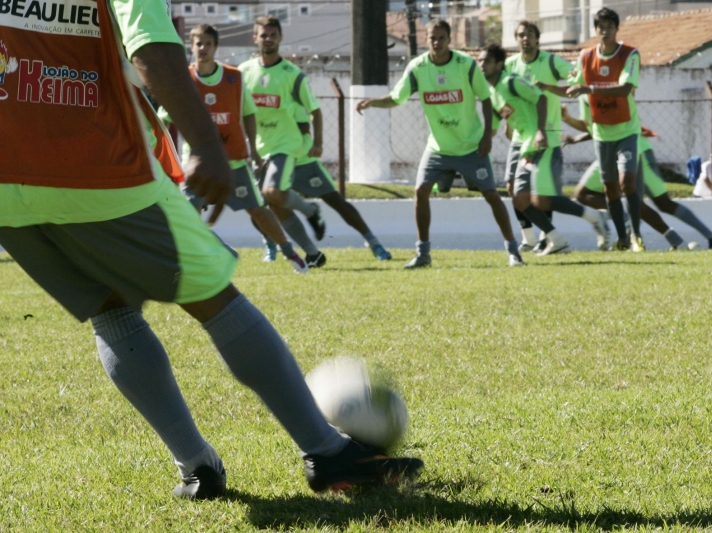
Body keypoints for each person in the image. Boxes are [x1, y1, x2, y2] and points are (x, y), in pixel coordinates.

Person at [0, 0, 422, 500]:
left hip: (8, 178)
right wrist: (205, 144)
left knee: (108, 308)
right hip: (100, 162)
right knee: (215, 299)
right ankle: (326, 451)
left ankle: (196, 468)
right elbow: (152, 49)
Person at [356, 19, 523, 268]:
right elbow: (396, 98)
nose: (437, 42)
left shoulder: (465, 65)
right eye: (432, 38)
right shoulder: (418, 67)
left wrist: (487, 136)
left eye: (441, 38)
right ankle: (423, 254)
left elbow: (486, 100)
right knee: (420, 191)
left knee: (491, 195)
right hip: (438, 148)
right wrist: (373, 102)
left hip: (470, 146)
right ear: (426, 39)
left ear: (449, 39)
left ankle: (513, 251)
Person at [159, 24, 308, 273]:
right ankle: (189, 262)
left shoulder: (233, 77)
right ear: (191, 47)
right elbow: (165, 118)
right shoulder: (183, 80)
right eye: (198, 43)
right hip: (198, 162)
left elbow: (248, 113)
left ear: (216, 47)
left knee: (257, 210)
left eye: (208, 43)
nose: (203, 48)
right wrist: (161, 152)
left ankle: (289, 252)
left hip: (234, 160)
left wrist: (253, 148)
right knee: (188, 212)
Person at [479, 44, 609, 256]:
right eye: (480, 61)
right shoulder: (491, 93)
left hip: (544, 142)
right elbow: (492, 126)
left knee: (542, 200)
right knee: (520, 199)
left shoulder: (510, 82)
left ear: (499, 64)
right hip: (526, 147)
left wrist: (539, 130)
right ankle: (558, 241)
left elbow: (539, 98)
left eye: (487, 61)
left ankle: (595, 217)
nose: (481, 65)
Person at [563, 102, 712, 250]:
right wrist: (569, 121)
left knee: (660, 203)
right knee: (585, 194)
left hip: (635, 149)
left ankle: (704, 237)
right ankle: (635, 232)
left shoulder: (596, 82)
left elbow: (606, 122)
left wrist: (569, 121)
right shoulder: (584, 87)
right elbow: (594, 126)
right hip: (611, 148)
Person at [239, 16, 328, 268]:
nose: (268, 39)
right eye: (263, 35)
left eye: (272, 34)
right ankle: (312, 253)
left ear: (280, 37)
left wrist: (318, 141)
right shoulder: (244, 72)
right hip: (257, 148)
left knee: (272, 192)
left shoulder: (293, 74)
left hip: (286, 145)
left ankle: (309, 210)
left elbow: (315, 111)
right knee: (271, 205)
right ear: (255, 38)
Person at [566, 7, 644, 252]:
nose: (605, 30)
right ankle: (622, 239)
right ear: (596, 29)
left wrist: (589, 89)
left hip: (627, 130)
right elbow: (572, 85)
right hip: (601, 133)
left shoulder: (630, 54)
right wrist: (546, 87)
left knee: (627, 183)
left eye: (610, 26)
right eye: (601, 27)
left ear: (616, 29)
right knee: (610, 188)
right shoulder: (585, 56)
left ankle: (636, 236)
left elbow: (624, 90)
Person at [504, 20, 575, 253]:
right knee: (512, 187)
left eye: (530, 34)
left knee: (540, 190)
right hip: (520, 136)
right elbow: (506, 97)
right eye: (521, 35)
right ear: (516, 39)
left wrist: (548, 87)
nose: (525, 38)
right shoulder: (509, 65)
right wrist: (508, 122)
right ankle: (529, 238)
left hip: (547, 133)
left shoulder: (552, 61)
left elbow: (575, 84)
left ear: (537, 38)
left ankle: (547, 237)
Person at [292, 108, 393, 260]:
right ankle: (272, 247)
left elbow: (305, 126)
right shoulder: (254, 92)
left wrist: (280, 127)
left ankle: (374, 243)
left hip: (304, 160)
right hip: (271, 158)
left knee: (336, 201)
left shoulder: (293, 90)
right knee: (262, 203)